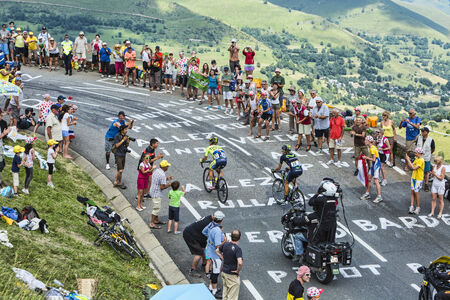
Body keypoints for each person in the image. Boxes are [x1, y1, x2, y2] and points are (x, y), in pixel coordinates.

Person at [183, 213, 215, 278]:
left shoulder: (209, 218)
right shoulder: (208, 223)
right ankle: (192, 270)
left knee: (204, 248)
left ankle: (204, 264)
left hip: (198, 234)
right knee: (199, 253)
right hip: (190, 235)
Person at [202, 211, 226, 298]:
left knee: (213, 272)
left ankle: (211, 287)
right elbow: (218, 246)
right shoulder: (217, 231)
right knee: (215, 273)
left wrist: (210, 238)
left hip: (209, 250)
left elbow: (204, 232)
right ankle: (214, 292)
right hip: (215, 255)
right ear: (222, 219)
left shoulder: (211, 225)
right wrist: (225, 241)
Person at [217, 230, 243, 300]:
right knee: (232, 296)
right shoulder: (238, 249)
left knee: (225, 292)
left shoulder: (226, 244)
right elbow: (240, 263)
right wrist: (237, 271)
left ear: (231, 237)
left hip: (224, 271)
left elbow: (217, 250)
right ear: (239, 238)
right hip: (232, 274)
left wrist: (222, 257)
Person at [149, 160, 173, 229]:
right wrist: (168, 185)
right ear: (164, 167)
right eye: (167, 166)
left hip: (152, 190)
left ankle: (156, 220)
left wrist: (167, 179)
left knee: (157, 207)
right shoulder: (162, 174)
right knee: (156, 208)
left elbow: (160, 180)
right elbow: (162, 187)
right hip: (157, 193)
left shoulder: (157, 171)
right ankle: (152, 223)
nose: (168, 167)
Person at [361, 136, 383, 203]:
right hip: (374, 165)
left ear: (368, 141)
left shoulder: (372, 149)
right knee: (369, 178)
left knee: (376, 180)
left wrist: (366, 157)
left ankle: (379, 196)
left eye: (365, 140)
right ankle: (367, 193)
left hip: (376, 165)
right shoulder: (371, 147)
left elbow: (373, 159)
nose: (364, 141)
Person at [405, 147, 425, 215]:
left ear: (419, 153)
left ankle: (418, 207)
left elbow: (414, 167)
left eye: (416, 153)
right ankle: (412, 206)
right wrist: (409, 161)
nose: (415, 154)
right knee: (412, 191)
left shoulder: (421, 160)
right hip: (413, 177)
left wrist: (408, 160)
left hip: (418, 178)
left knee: (416, 192)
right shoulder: (417, 159)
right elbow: (412, 166)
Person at [416, 127, 435, 192]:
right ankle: (418, 182)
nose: (422, 132)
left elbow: (433, 149)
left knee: (426, 172)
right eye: (421, 131)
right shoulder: (419, 138)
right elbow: (417, 146)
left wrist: (428, 154)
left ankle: (426, 184)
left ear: (426, 132)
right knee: (418, 170)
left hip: (426, 158)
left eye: (423, 131)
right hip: (418, 158)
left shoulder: (431, 140)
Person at [113, 125, 131, 189]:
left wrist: (128, 142)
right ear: (122, 130)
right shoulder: (117, 136)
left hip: (123, 154)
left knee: (120, 170)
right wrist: (123, 140)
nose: (126, 130)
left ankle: (116, 181)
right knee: (120, 170)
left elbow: (125, 146)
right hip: (118, 155)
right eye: (125, 129)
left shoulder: (125, 136)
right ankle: (119, 183)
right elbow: (117, 145)